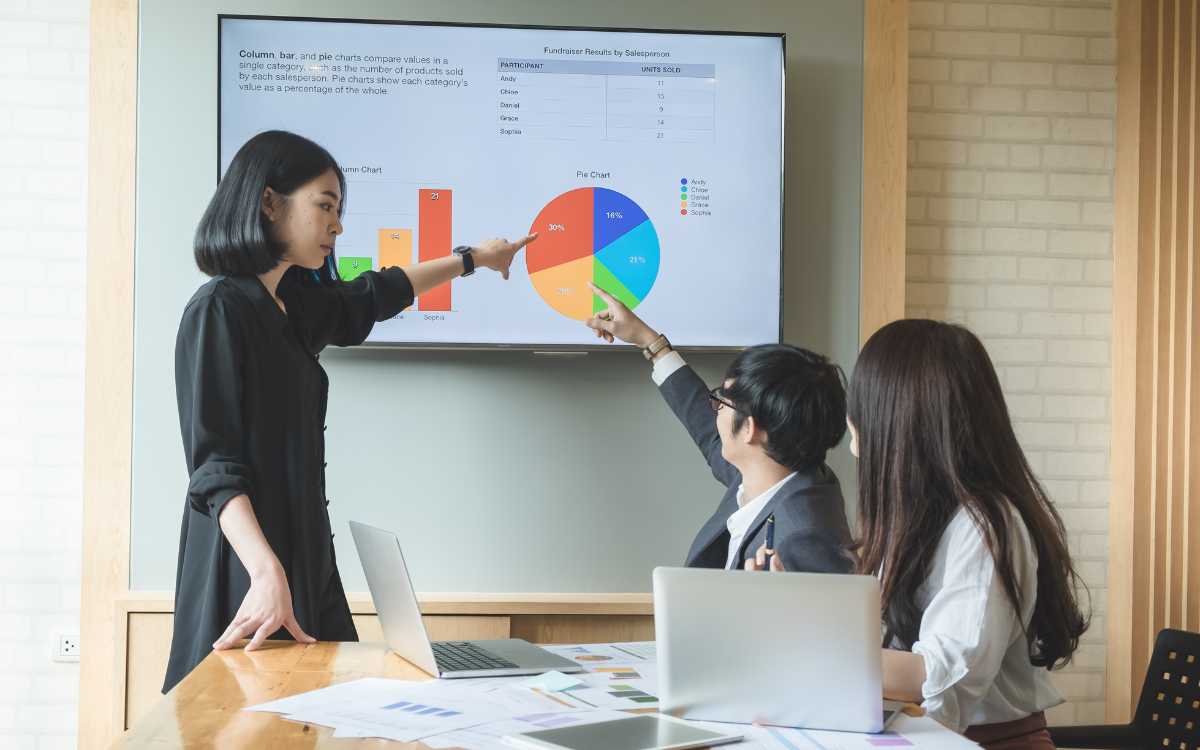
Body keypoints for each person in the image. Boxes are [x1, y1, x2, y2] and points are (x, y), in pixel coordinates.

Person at [163, 130, 536, 692]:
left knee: (326, 713)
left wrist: (472, 259)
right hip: (247, 565)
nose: (337, 225)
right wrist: (266, 573)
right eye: (325, 206)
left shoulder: (295, 304)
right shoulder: (219, 309)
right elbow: (215, 468)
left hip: (304, 555)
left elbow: (375, 294)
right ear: (269, 202)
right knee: (235, 721)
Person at [749, 319, 1089, 748]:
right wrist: (797, 612)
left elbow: (942, 675)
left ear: (895, 419)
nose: (853, 425)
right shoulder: (918, 517)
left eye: (863, 406)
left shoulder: (985, 526)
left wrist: (810, 642)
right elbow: (890, 647)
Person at [586, 284, 853, 572]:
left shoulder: (803, 539)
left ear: (750, 429)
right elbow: (707, 429)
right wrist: (650, 342)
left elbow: (820, 617)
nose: (715, 410)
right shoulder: (776, 471)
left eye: (721, 401)